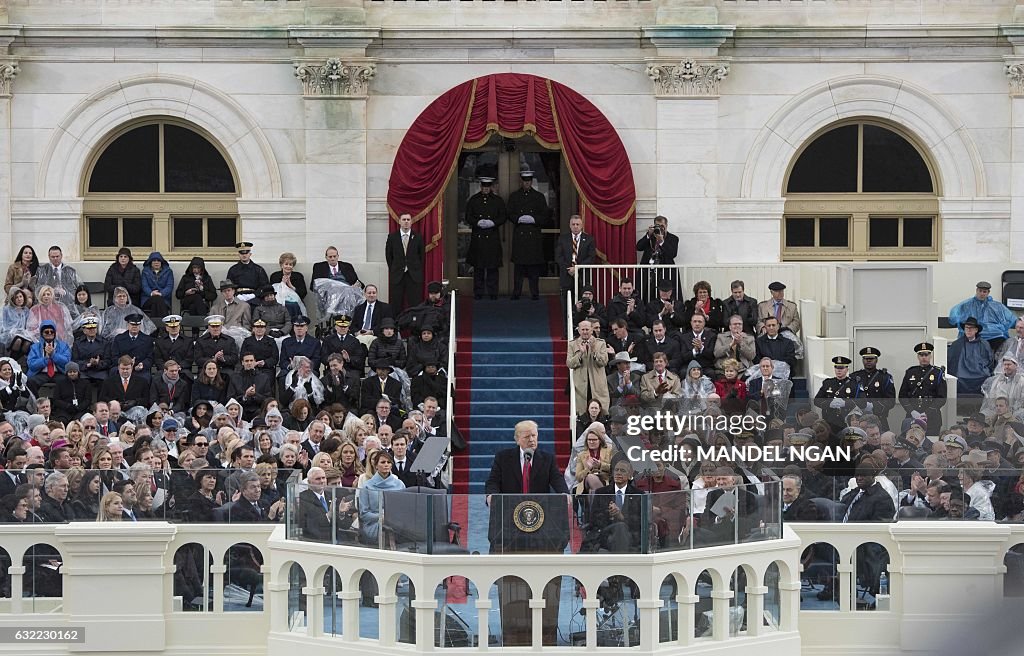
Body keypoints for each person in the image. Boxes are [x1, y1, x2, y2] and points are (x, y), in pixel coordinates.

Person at [507, 170, 551, 301]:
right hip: (520, 235)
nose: (526, 183)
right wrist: (518, 219)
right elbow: (509, 213)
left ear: (531, 182)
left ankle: (535, 293)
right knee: (519, 268)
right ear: (521, 181)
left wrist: (534, 219)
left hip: (534, 236)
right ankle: (516, 292)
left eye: (528, 181)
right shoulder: (514, 196)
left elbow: (545, 216)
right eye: (524, 181)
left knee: (533, 268)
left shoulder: (539, 197)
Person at [585, 458, 644, 553]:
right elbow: (593, 520)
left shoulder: (638, 494)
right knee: (619, 528)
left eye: (623, 470)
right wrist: (609, 515)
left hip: (631, 535)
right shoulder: (601, 492)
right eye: (616, 470)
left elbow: (640, 522)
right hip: (606, 534)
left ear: (630, 476)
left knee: (621, 528)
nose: (618, 473)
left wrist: (621, 517)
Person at [464, 177, 507, 300]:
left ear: (491, 187)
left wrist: (493, 222)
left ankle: (493, 293)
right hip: (478, 238)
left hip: (492, 237)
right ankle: (478, 292)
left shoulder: (497, 200)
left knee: (493, 267)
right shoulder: (474, 200)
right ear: (481, 187)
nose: (486, 189)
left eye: (488, 187)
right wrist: (477, 222)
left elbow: (503, 216)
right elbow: (468, 216)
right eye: (484, 187)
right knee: (479, 268)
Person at [949, 281, 1017, 353]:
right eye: (980, 291)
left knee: (1001, 340)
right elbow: (954, 316)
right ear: (976, 290)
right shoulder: (967, 305)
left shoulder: (996, 306)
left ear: (988, 292)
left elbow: (1011, 319)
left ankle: (995, 361)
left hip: (993, 336)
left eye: (984, 292)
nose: (982, 293)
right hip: (974, 333)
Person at [297, 467, 356, 542]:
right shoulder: (303, 498)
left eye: (323, 478)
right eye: (318, 479)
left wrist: (341, 514)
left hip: (336, 540)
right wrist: (329, 515)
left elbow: (345, 525)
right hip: (316, 542)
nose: (322, 481)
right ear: (309, 482)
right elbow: (309, 526)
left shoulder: (332, 495)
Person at [947, 317, 994, 406]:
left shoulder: (984, 344)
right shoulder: (956, 345)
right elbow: (951, 363)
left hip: (980, 377)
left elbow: (989, 363)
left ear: (976, 330)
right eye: (966, 328)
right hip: (960, 377)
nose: (968, 330)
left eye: (971, 328)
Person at [385, 213, 425, 314]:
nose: (406, 222)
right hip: (397, 275)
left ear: (411, 222)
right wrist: (395, 268)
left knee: (415, 303)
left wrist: (414, 268)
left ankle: (414, 327)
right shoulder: (392, 237)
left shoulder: (418, 237)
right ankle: (396, 327)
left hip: (413, 276)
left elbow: (422, 256)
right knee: (396, 303)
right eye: (404, 219)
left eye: (408, 219)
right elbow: (389, 256)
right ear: (399, 221)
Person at [567, 320, 610, 412]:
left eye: (587, 329)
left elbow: (604, 362)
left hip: (597, 384)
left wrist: (594, 350)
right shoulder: (572, 344)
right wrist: (580, 354)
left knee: (600, 411)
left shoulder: (600, 343)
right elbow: (569, 363)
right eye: (583, 329)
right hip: (580, 386)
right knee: (582, 413)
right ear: (579, 331)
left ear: (591, 330)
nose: (585, 332)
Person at [554, 214, 595, 307]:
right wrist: (569, 269)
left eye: (577, 224)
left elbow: (591, 257)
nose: (575, 226)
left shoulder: (589, 239)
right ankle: (567, 321)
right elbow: (558, 256)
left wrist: (577, 268)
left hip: (582, 276)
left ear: (582, 225)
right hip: (567, 276)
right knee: (566, 303)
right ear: (570, 225)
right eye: (573, 224)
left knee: (583, 302)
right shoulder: (563, 239)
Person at [851, 347, 896, 431]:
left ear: (876, 360)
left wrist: (873, 406)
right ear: (862, 360)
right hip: (858, 419)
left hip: (878, 418)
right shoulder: (854, 377)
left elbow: (891, 401)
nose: (868, 361)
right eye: (866, 358)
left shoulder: (885, 377)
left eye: (871, 358)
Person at [814, 356, 861, 432]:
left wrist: (846, 403)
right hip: (829, 421)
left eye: (841, 368)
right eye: (836, 367)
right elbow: (817, 400)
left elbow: (862, 402)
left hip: (847, 421)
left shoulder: (853, 384)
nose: (839, 370)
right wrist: (829, 404)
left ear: (847, 369)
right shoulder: (828, 383)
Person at [26, 320, 71, 393]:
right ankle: (36, 402)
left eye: (52, 331)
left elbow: (67, 362)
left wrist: (53, 355)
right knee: (31, 381)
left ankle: (62, 403)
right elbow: (31, 364)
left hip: (59, 373)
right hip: (41, 374)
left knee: (68, 380)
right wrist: (46, 358)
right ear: (42, 334)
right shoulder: (35, 347)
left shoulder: (63, 345)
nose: (49, 333)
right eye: (46, 332)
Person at [33, 245, 79, 312]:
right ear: (49, 257)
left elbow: (75, 290)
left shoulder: (70, 271)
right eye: (53, 257)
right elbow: (38, 289)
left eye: (57, 256)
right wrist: (51, 292)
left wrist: (65, 292)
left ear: (61, 256)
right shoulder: (42, 270)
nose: (55, 258)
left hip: (67, 305)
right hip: (47, 304)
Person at [268, 251, 308, 320]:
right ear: (281, 265)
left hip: (295, 301)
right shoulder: (275, 276)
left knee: (292, 305)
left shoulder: (298, 276)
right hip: (278, 300)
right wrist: (282, 284)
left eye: (290, 264)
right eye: (286, 264)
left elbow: (303, 293)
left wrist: (291, 286)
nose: (288, 266)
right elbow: (271, 291)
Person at [1, 287, 32, 361]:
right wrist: (11, 332)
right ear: (12, 299)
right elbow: (2, 324)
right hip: (9, 333)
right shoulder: (6, 309)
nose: (19, 299)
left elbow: (28, 325)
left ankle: (17, 361)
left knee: (27, 342)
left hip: (23, 334)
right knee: (18, 340)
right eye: (16, 297)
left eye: (20, 296)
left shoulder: (26, 310)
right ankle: (11, 360)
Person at [140, 251, 174, 318]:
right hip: (148, 298)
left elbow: (169, 286)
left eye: (158, 260)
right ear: (150, 262)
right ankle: (165, 324)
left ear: (162, 262)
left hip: (164, 299)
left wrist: (161, 294)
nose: (156, 262)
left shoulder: (168, 272)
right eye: (154, 260)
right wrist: (152, 293)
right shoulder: (145, 272)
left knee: (157, 301)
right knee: (156, 299)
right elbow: (144, 286)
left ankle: (155, 327)